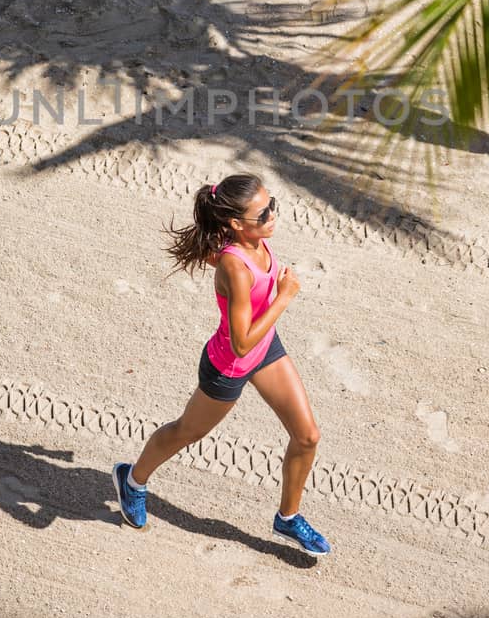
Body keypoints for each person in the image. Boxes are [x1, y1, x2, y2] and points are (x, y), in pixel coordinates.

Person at [112, 175, 331, 556]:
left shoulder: (252, 242)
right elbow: (240, 340)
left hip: (266, 351)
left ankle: (288, 518)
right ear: (237, 223)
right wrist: (284, 297)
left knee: (307, 436)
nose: (273, 216)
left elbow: (218, 259)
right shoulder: (236, 266)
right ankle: (132, 480)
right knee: (185, 432)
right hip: (229, 364)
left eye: (272, 204)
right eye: (263, 213)